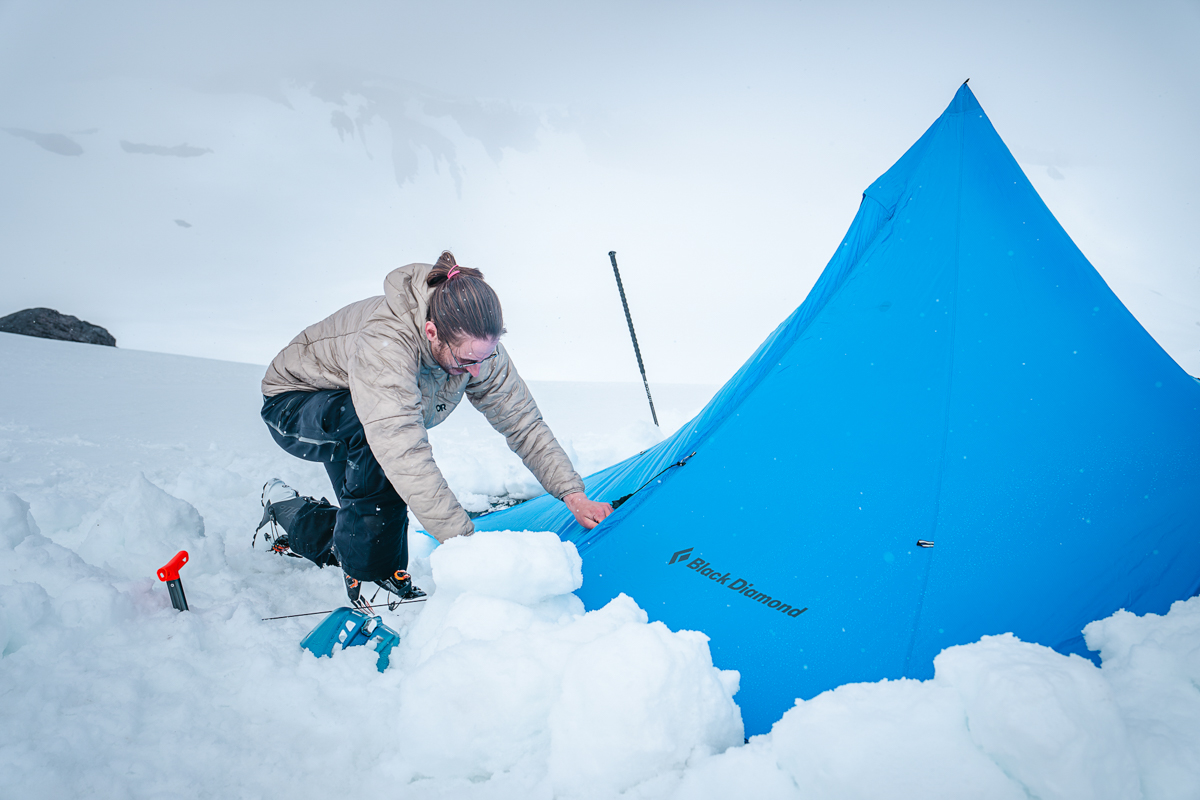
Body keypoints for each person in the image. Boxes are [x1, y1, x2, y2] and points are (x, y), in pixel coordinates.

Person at [256, 251, 612, 606]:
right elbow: (402, 450)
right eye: (467, 361)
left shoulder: (477, 346)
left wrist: (572, 493)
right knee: (382, 465)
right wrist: (468, 548)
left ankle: (289, 513)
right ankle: (371, 578)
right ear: (431, 332)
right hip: (296, 402)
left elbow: (523, 422)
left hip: (358, 400)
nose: (477, 370)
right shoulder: (387, 344)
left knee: (370, 518)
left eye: (487, 357)